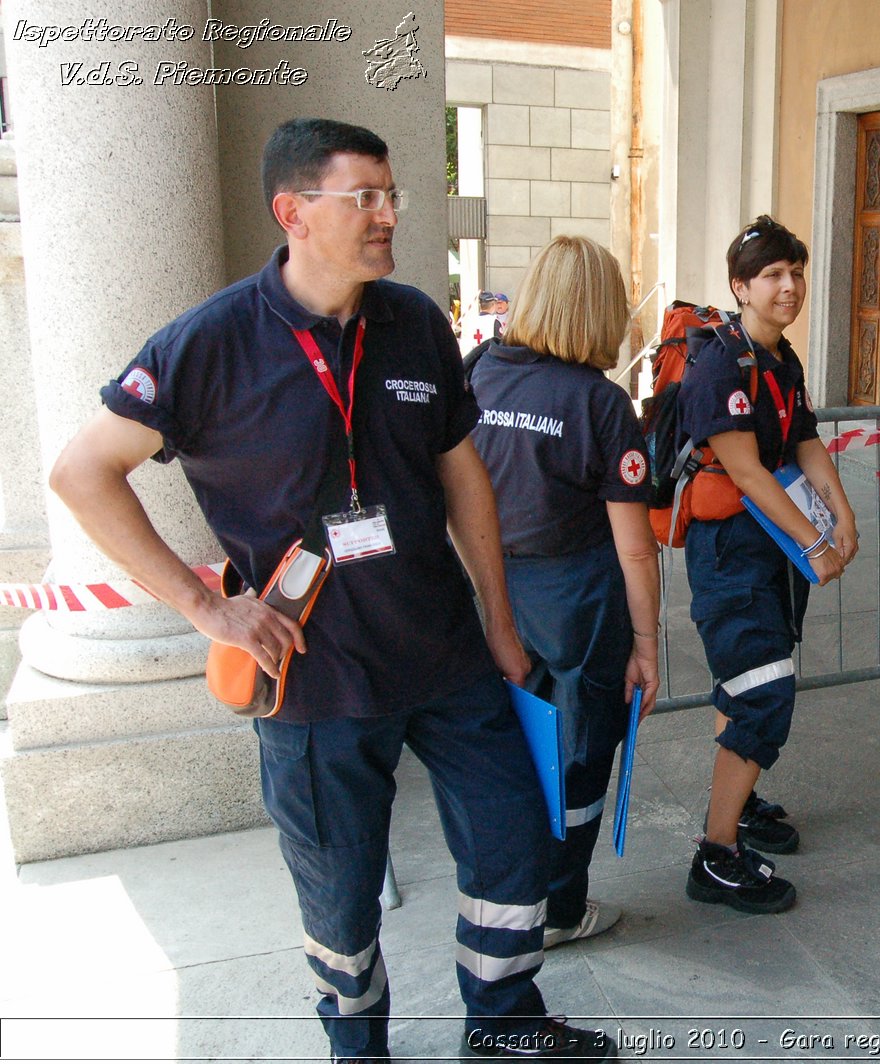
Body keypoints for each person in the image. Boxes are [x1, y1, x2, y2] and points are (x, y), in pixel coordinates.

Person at [48, 118, 615, 1063]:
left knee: (515, 835)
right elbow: (81, 473)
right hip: (312, 675)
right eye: (367, 198)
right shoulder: (208, 343)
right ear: (295, 211)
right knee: (341, 887)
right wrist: (207, 610)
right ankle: (358, 1047)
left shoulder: (417, 324)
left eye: (392, 195)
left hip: (442, 652)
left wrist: (502, 627)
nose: (389, 214)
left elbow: (464, 475)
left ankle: (505, 1019)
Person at [468, 236, 660, 948]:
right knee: (577, 755)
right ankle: (557, 909)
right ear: (602, 313)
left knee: (502, 749)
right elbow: (636, 548)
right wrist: (646, 645)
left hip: (487, 591)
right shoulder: (600, 404)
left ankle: (502, 896)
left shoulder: (479, 371)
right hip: (576, 606)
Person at [677, 215, 857, 912]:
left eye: (795, 273)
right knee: (762, 692)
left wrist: (840, 513)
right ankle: (716, 857)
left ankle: (739, 801)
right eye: (773, 276)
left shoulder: (781, 358)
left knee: (747, 679)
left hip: (772, 546)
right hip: (731, 552)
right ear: (740, 287)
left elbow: (805, 441)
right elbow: (748, 472)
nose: (789, 287)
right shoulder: (721, 361)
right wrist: (815, 542)